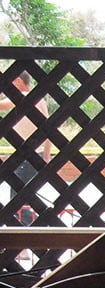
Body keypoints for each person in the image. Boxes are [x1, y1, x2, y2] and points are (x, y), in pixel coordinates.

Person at [0, 71, 52, 225]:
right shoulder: (39, 99)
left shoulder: (23, 96)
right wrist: (46, 156)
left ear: (17, 81)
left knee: (18, 198)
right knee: (25, 196)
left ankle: (22, 232)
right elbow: (49, 131)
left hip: (27, 157)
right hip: (35, 155)